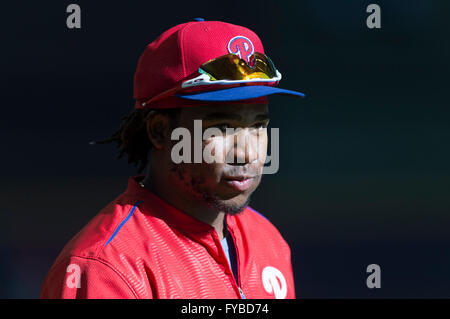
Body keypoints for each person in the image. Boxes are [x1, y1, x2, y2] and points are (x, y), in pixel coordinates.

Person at [40, 19, 305, 299]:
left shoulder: (267, 240)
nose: (247, 153)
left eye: (258, 126)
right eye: (222, 128)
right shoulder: (106, 267)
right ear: (160, 131)